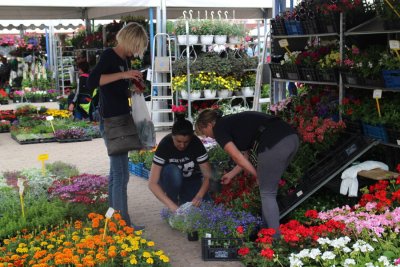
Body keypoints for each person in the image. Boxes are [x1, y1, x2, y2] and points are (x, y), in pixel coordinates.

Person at [195, 110, 299, 238]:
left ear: (210, 125)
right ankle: (266, 233)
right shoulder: (230, 122)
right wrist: (232, 174)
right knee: (268, 191)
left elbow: (237, 156)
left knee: (267, 193)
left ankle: (275, 241)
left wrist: (257, 174)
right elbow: (246, 155)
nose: (208, 137)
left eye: (205, 133)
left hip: (274, 143)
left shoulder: (219, 129)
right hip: (291, 138)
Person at [87, 22, 148, 230]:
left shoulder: (125, 59)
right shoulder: (109, 55)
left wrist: (134, 86)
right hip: (112, 121)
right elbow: (92, 82)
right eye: (137, 46)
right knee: (121, 174)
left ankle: (115, 221)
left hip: (121, 118)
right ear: (130, 40)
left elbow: (116, 89)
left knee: (117, 173)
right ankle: (123, 225)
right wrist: (124, 75)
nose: (136, 52)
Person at [148, 116, 211, 212]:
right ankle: (173, 200)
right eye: (178, 141)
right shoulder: (165, 145)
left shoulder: (196, 143)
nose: (182, 145)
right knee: (173, 172)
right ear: (172, 136)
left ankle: (182, 198)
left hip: (190, 181)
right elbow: (152, 183)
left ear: (191, 137)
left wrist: (199, 196)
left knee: (205, 208)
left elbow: (208, 176)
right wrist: (172, 206)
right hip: (171, 180)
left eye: (186, 142)